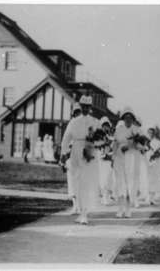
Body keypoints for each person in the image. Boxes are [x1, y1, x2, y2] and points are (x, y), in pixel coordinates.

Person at [61, 95, 100, 225]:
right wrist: (63, 152)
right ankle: (80, 209)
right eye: (83, 106)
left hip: (88, 150)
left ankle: (84, 213)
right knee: (77, 181)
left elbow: (101, 139)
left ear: (90, 107)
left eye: (87, 106)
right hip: (76, 152)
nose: (85, 108)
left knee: (86, 182)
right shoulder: (74, 121)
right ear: (80, 106)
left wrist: (93, 144)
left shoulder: (94, 121)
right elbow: (66, 138)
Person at [112, 107, 140, 218]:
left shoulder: (136, 130)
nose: (128, 120)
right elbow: (115, 144)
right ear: (123, 119)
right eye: (126, 118)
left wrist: (129, 146)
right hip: (119, 157)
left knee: (129, 183)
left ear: (133, 119)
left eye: (130, 118)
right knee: (120, 183)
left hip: (131, 158)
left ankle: (128, 208)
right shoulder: (119, 130)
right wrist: (113, 156)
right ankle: (120, 208)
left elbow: (140, 145)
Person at [65, 102, 82, 214]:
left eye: (79, 112)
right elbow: (66, 139)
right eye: (75, 112)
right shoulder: (70, 124)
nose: (77, 114)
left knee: (80, 181)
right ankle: (74, 205)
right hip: (71, 155)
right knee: (71, 181)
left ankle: (80, 206)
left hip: (81, 156)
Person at [98, 116, 114, 205]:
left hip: (108, 160)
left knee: (107, 179)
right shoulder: (98, 137)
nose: (105, 127)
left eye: (107, 125)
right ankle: (103, 196)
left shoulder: (111, 138)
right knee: (101, 179)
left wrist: (109, 154)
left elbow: (113, 149)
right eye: (104, 125)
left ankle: (106, 196)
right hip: (100, 160)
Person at [145, 127, 160, 204]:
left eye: (152, 133)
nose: (150, 134)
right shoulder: (145, 141)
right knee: (147, 179)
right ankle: (147, 197)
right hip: (146, 162)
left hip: (155, 162)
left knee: (154, 179)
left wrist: (155, 155)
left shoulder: (158, 142)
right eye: (149, 133)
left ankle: (152, 197)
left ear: (154, 133)